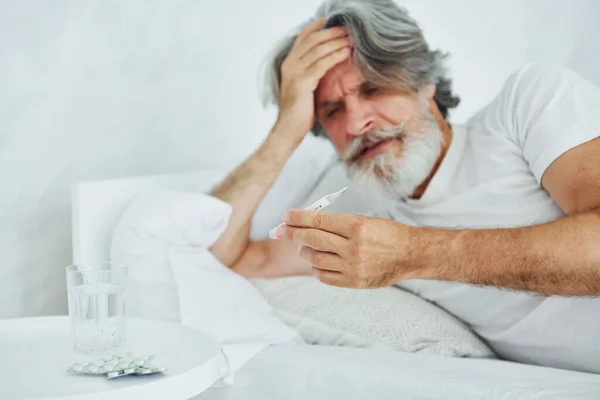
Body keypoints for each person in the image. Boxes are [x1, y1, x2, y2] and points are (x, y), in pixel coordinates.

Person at [208, 0, 600, 374]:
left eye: (373, 88)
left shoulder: (525, 107)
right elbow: (219, 260)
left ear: (424, 80)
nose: (357, 122)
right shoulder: (361, 218)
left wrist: (411, 252)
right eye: (332, 111)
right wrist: (285, 130)